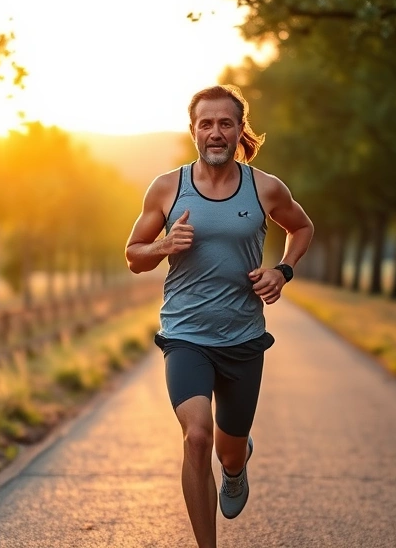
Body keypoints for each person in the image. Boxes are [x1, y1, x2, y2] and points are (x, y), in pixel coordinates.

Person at [124, 84, 314, 548]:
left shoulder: (266, 188)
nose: (215, 132)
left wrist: (283, 271)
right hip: (185, 335)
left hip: (243, 338)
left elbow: (302, 226)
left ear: (238, 130)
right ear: (193, 131)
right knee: (196, 437)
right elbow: (133, 255)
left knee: (227, 451)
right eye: (205, 123)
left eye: (225, 123)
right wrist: (163, 246)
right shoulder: (167, 188)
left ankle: (236, 464)